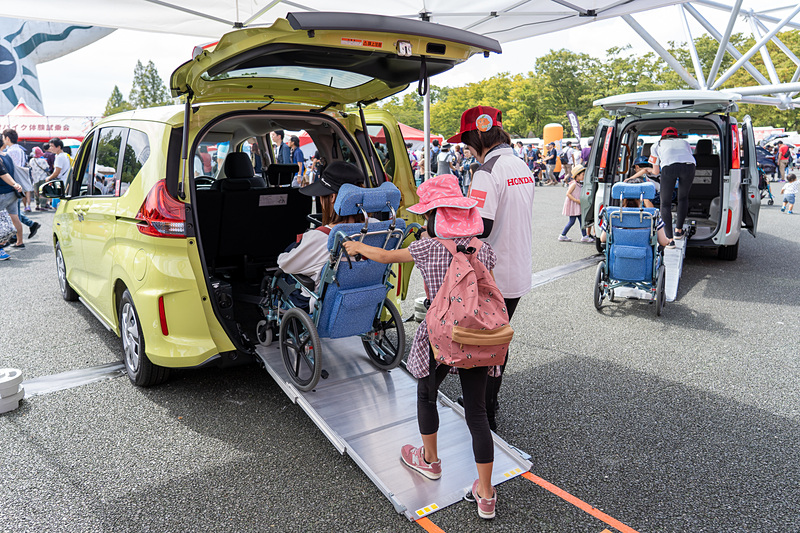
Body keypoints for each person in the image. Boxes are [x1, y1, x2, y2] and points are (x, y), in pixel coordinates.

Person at [343, 174, 500, 520]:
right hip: (477, 333)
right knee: (476, 412)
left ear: (432, 217)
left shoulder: (427, 248)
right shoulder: (483, 248)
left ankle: (429, 461)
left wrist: (356, 247)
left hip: (441, 333)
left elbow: (385, 257)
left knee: (427, 394)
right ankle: (486, 495)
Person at [453, 105, 535, 430]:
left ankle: (483, 415)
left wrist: (454, 216)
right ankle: (490, 406)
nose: (466, 149)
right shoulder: (520, 165)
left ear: (477, 136)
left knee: (481, 347)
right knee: (498, 342)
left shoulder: (487, 171)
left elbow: (481, 225)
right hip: (518, 270)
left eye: (465, 142)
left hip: (493, 273)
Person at [276, 161, 365, 291]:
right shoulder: (379, 229)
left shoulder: (321, 237)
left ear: (333, 197)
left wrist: (282, 257)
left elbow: (285, 264)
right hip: (365, 299)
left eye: (322, 196)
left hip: (325, 305)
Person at [649, 127, 695, 247]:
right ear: (676, 136)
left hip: (669, 167)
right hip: (689, 166)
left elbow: (655, 171)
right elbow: (686, 156)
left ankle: (669, 239)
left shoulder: (656, 145)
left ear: (663, 136)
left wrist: (646, 170)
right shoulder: (685, 143)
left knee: (665, 203)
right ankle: (678, 231)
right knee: (683, 198)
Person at [599, 197, 671, 247]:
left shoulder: (612, 214)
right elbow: (663, 242)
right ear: (642, 198)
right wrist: (668, 241)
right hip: (644, 261)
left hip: (618, 258)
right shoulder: (652, 215)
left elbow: (603, 239)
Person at [558, 165, 592, 243]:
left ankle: (584, 236)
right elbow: (568, 194)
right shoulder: (574, 184)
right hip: (574, 205)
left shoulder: (579, 184)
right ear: (577, 175)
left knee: (580, 221)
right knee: (573, 221)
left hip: (576, 205)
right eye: (582, 174)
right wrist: (576, 200)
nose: (584, 176)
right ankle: (563, 235)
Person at [0, 154, 25, 248]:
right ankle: (20, 241)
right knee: (15, 217)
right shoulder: (7, 156)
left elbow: (3, 174)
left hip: (2, 192)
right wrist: (15, 184)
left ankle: (1, 245)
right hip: (12, 192)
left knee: (2, 219)